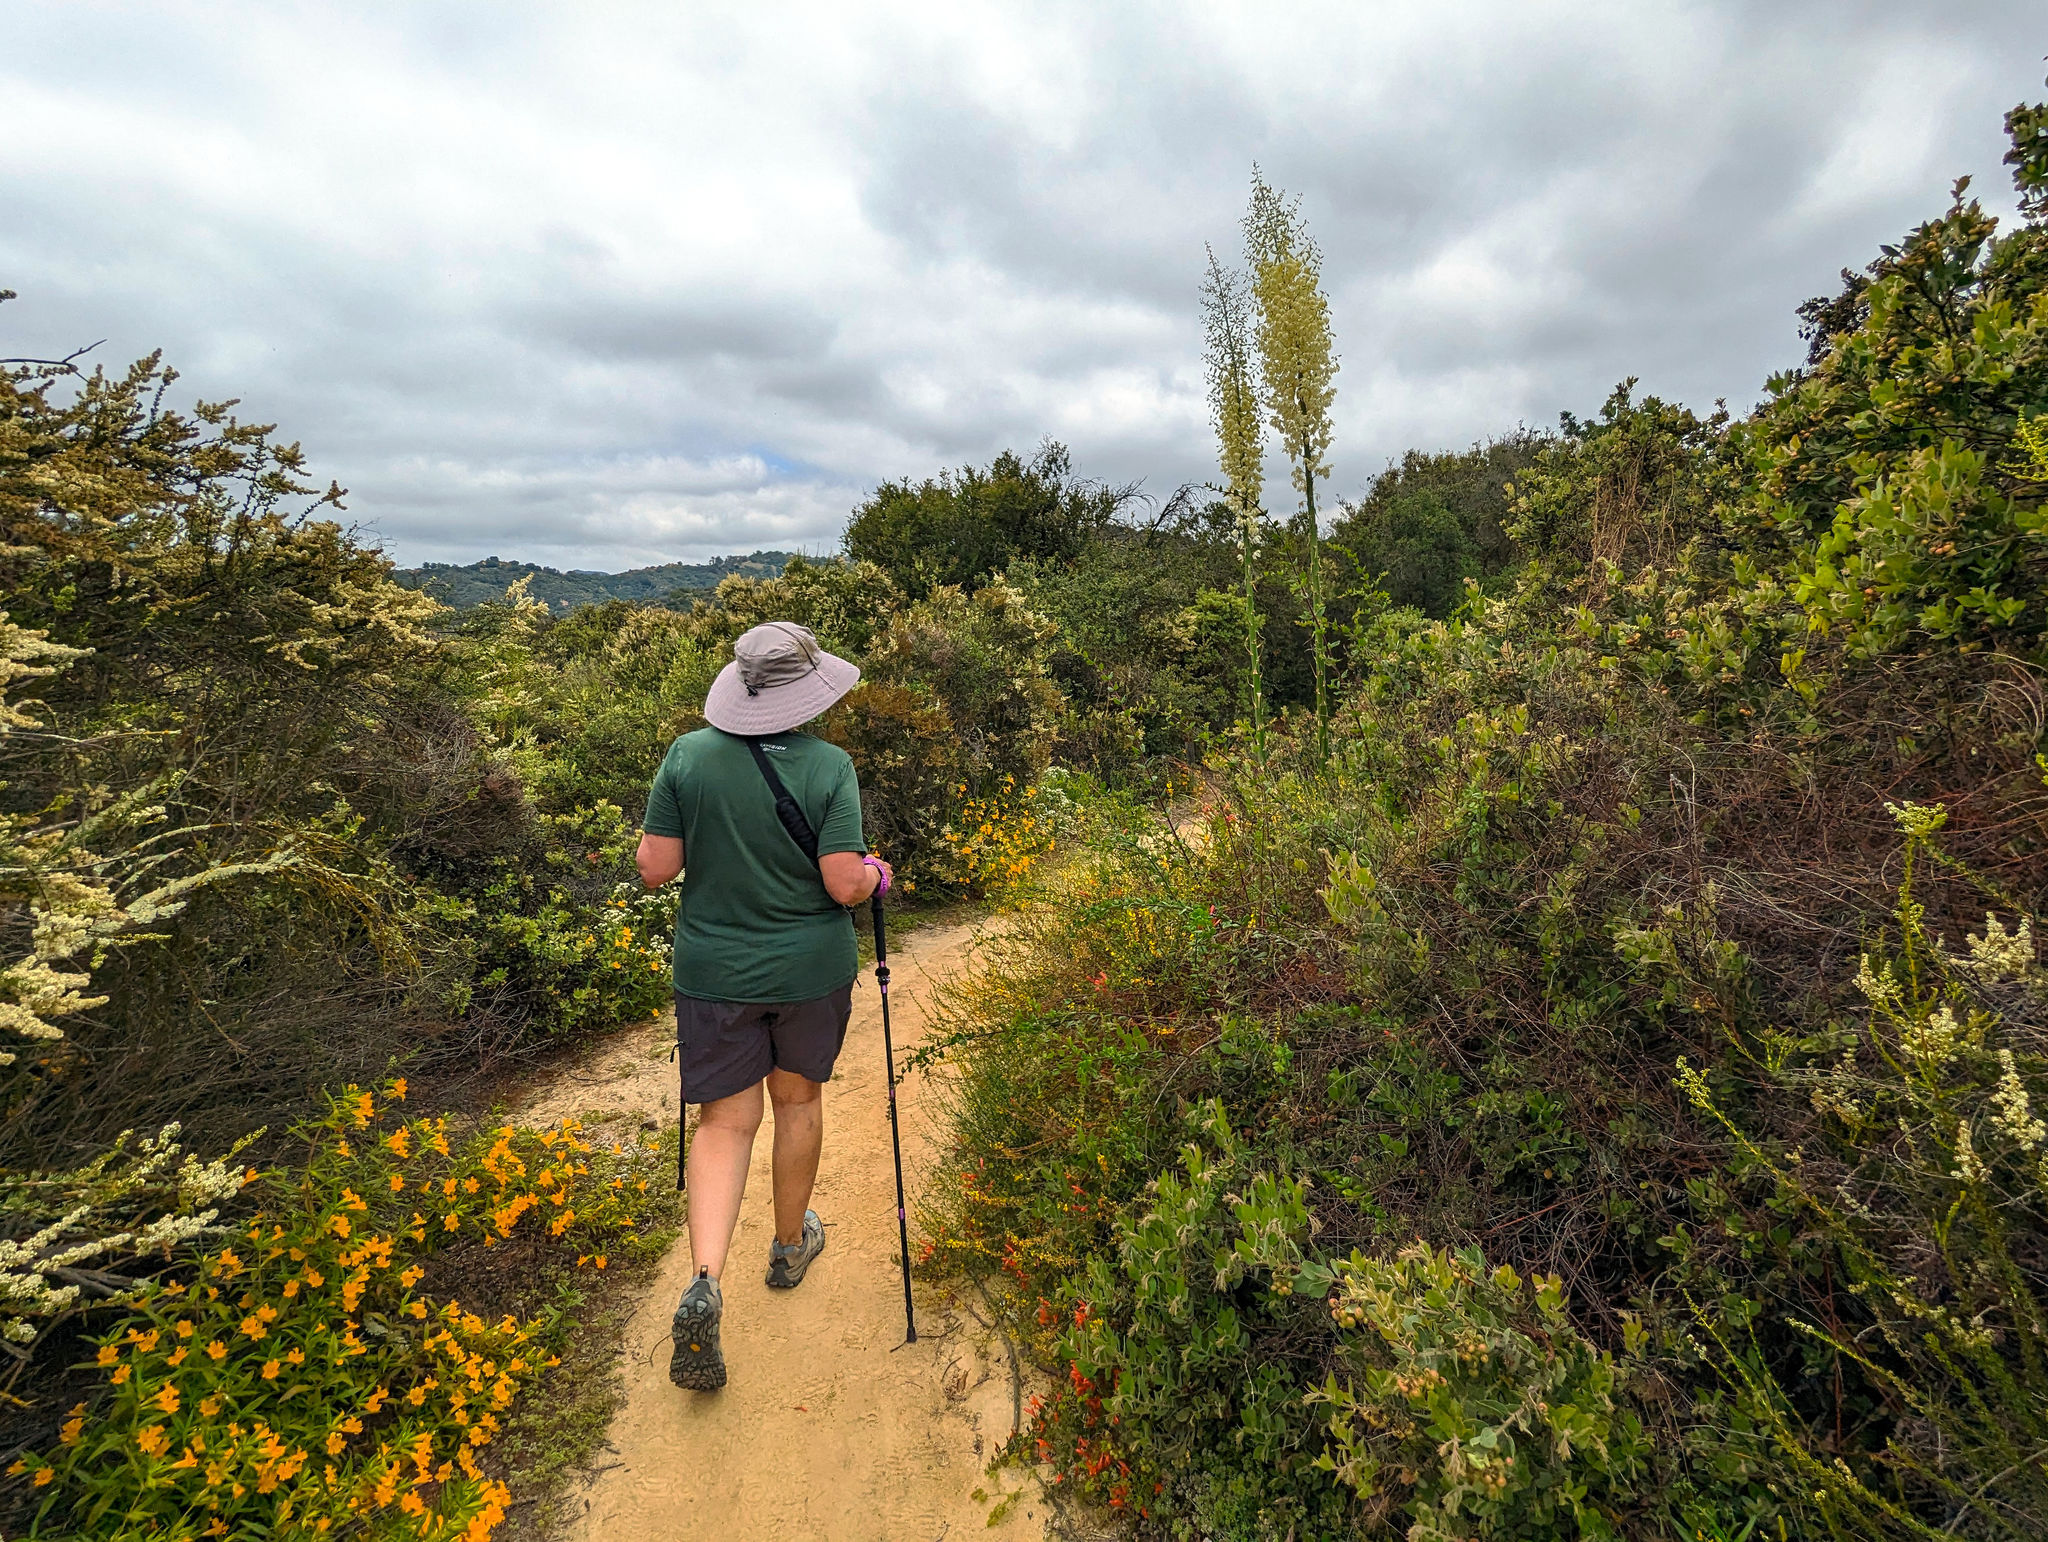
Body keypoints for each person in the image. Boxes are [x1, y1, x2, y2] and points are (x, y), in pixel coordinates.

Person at [635, 621, 892, 1392]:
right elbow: (843, 880)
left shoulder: (687, 755)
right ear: (806, 690)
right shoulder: (829, 766)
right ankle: (787, 1248)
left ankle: (705, 1282)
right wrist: (878, 876)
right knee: (797, 1100)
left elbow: (655, 869)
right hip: (808, 972)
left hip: (714, 972)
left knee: (724, 1121)